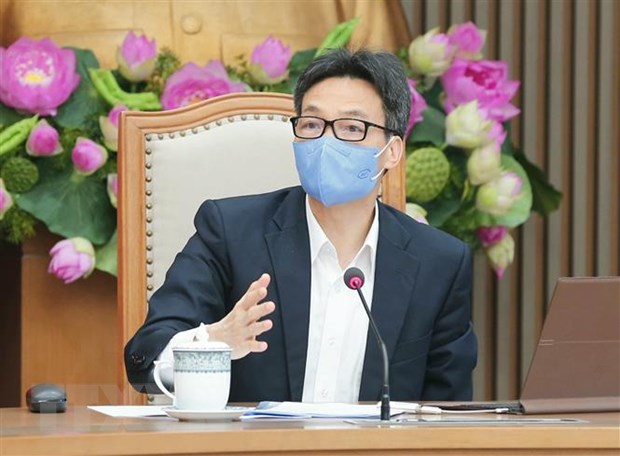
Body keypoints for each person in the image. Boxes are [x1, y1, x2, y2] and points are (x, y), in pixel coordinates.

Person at [125, 48, 477, 403]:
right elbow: (144, 358)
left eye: (352, 128)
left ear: (392, 151)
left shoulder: (439, 264)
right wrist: (214, 341)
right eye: (312, 125)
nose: (326, 142)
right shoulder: (231, 232)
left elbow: (448, 413)